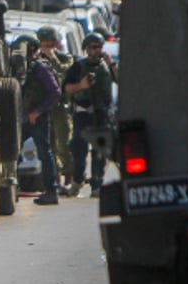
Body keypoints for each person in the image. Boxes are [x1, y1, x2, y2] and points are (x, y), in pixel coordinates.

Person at [64, 32, 116, 199]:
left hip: (101, 113)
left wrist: (112, 64)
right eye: (93, 47)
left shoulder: (106, 66)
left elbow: (120, 79)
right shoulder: (78, 66)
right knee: (79, 150)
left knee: (100, 151)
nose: (97, 51)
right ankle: (77, 182)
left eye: (100, 47)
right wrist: (81, 85)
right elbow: (66, 88)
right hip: (82, 113)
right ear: (86, 48)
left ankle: (97, 185)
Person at [17, 33, 63, 206]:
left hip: (38, 117)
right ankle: (13, 188)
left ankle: (51, 191)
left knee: (44, 152)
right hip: (25, 117)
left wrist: (38, 112)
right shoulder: (23, 67)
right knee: (14, 151)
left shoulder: (40, 67)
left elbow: (55, 93)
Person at [36, 25, 74, 192]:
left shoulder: (65, 58)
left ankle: (69, 178)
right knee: (49, 145)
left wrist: (53, 59)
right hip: (44, 106)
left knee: (64, 142)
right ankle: (55, 179)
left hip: (60, 107)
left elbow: (65, 75)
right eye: (43, 43)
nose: (46, 46)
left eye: (49, 43)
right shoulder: (37, 60)